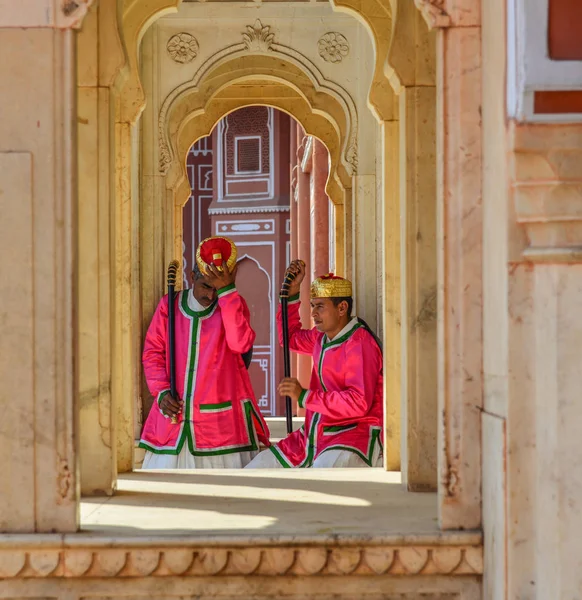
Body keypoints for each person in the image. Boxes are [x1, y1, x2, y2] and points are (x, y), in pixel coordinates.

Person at [139, 236, 270, 469]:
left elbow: (240, 344)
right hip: (173, 427)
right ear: (193, 277)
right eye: (206, 287)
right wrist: (161, 392)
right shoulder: (170, 305)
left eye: (217, 290)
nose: (210, 296)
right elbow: (153, 352)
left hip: (221, 428)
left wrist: (227, 294)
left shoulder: (232, 303)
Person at [245, 260, 383, 468]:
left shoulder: (359, 343)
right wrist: (292, 294)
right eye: (312, 306)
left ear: (342, 308)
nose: (313, 313)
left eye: (320, 306)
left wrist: (304, 396)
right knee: (257, 468)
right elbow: (289, 337)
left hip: (351, 436)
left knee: (321, 473)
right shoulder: (321, 337)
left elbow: (358, 402)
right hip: (312, 437)